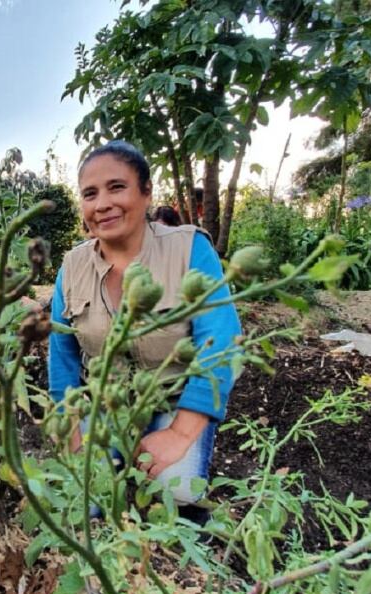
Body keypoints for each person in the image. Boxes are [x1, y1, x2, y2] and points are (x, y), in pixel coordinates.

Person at [48, 140, 241, 519]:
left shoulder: (189, 250)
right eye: (90, 194)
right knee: (85, 497)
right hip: (105, 403)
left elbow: (220, 344)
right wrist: (70, 426)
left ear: (146, 192)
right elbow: (63, 356)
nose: (102, 203)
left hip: (175, 401)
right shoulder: (71, 266)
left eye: (116, 187)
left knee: (177, 492)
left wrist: (180, 434)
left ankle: (176, 449)